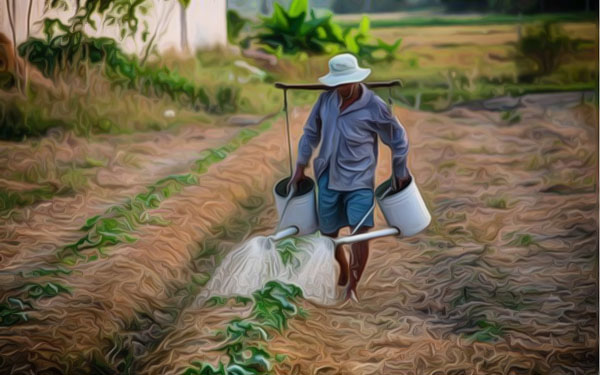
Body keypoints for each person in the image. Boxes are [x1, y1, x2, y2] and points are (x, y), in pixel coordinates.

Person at [287, 53, 411, 302]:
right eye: (337, 82)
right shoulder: (325, 100)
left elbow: (398, 139)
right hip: (328, 177)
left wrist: (400, 171)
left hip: (360, 181)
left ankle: (352, 287)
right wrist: (300, 166)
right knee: (329, 235)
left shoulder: (373, 106)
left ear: (355, 80)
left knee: (360, 233)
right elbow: (311, 133)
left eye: (345, 82)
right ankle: (343, 265)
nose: (341, 87)